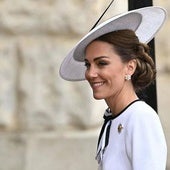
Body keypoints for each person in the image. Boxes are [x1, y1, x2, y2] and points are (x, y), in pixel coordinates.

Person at [60, 6, 167, 170]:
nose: (90, 73)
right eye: (88, 64)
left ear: (129, 67)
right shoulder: (114, 118)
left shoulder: (140, 118)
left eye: (101, 63)